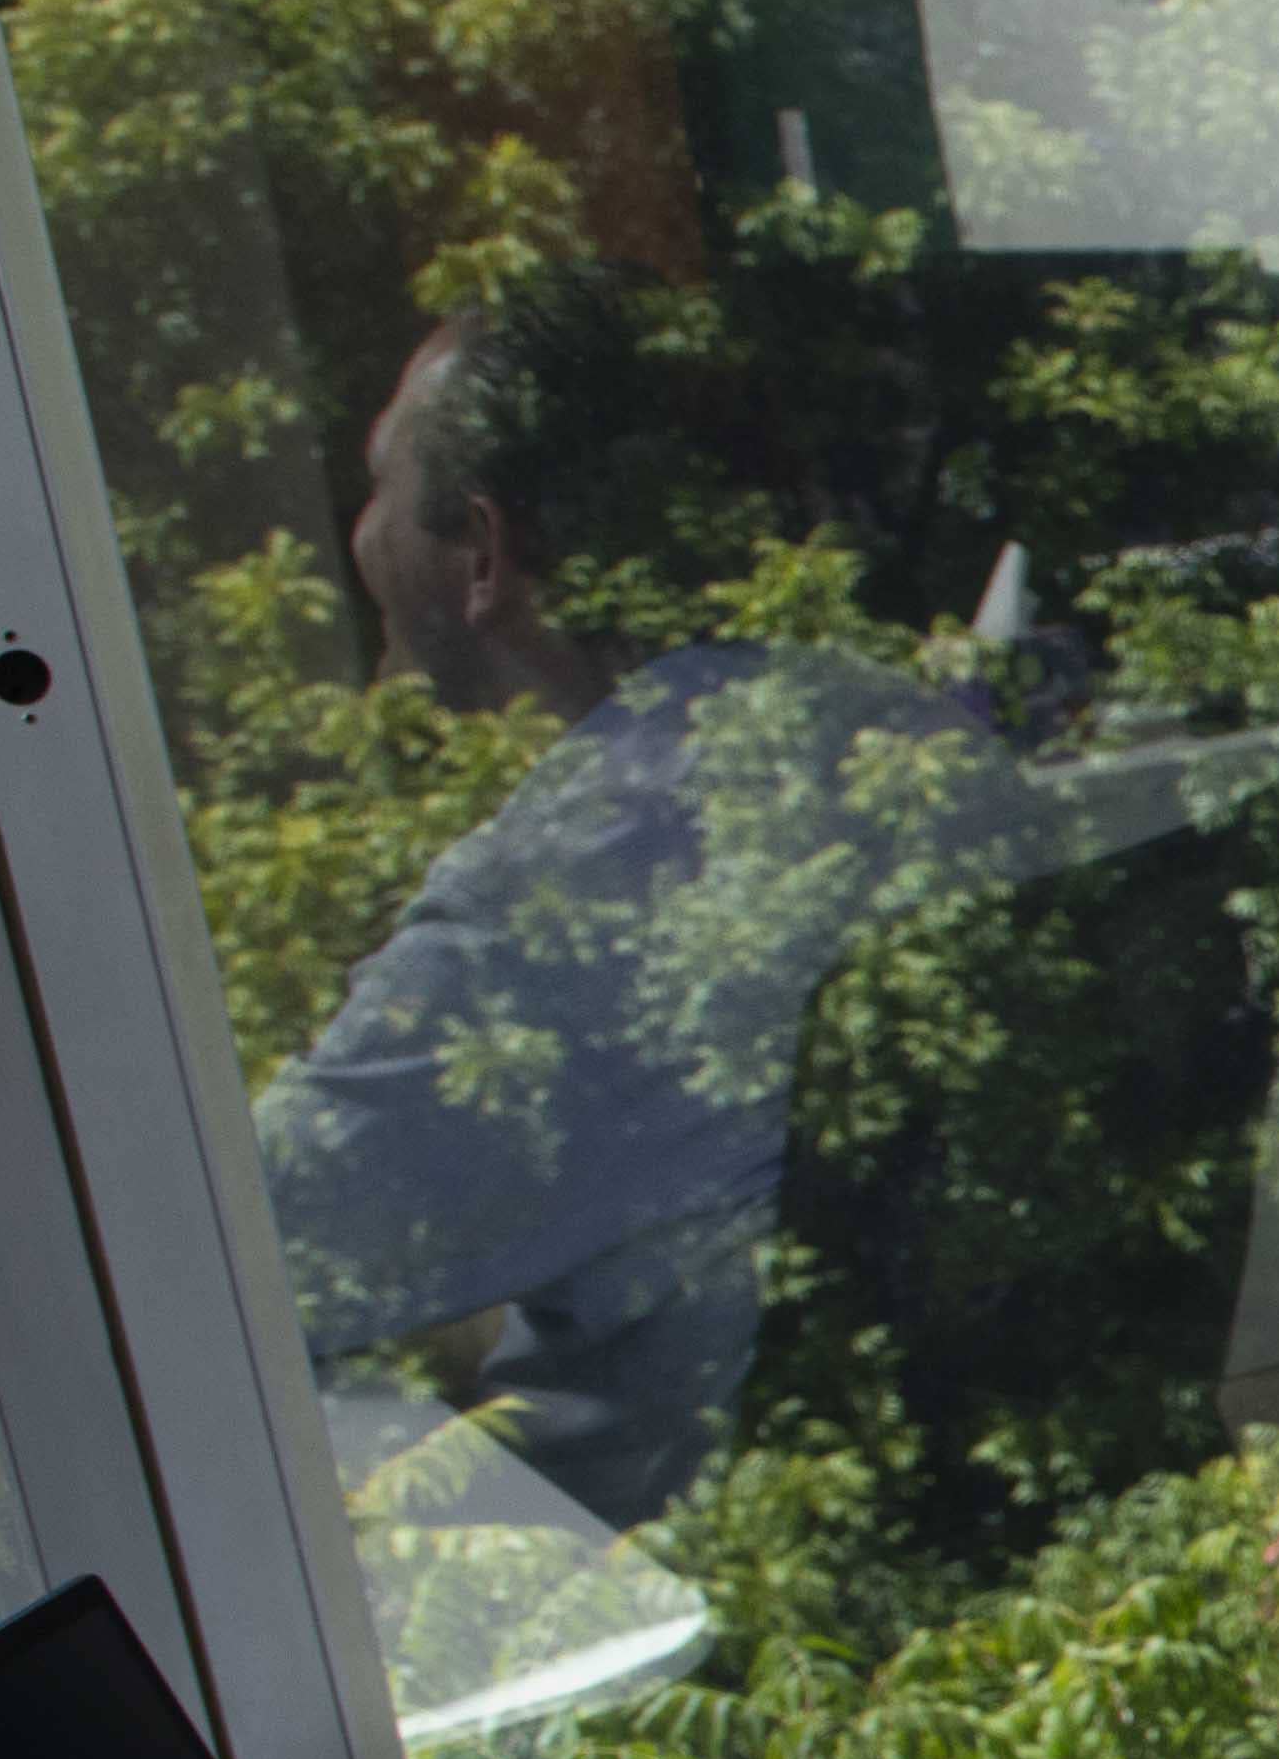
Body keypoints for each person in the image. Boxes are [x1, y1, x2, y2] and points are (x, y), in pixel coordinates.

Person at [266, 270, 1022, 1526]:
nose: (357, 534)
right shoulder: (866, 722)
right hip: (920, 1494)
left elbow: (236, 1260)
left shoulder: (561, 894)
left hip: (669, 1565)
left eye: (377, 484)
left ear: (483, 550)